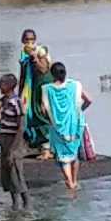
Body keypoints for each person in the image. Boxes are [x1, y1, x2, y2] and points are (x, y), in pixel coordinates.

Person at [41, 61, 92, 191]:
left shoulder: (47, 89)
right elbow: (89, 100)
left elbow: (44, 109)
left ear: (52, 74)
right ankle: (74, 181)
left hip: (58, 127)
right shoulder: (75, 85)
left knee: (63, 158)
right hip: (75, 125)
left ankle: (69, 182)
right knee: (74, 154)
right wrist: (80, 111)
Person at [0, 74, 29, 209]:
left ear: (9, 86)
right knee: (8, 174)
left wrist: (13, 149)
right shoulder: (4, 101)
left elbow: (21, 127)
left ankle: (26, 203)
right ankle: (15, 203)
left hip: (14, 142)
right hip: (5, 141)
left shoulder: (17, 103)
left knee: (16, 173)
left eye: (2, 84)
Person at [17, 30, 52, 161]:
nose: (29, 42)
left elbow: (44, 69)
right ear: (22, 41)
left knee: (41, 114)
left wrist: (34, 57)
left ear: (35, 39)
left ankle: (47, 149)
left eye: (31, 39)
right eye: (26, 40)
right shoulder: (23, 54)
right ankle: (39, 146)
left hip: (41, 87)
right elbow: (22, 74)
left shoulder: (41, 51)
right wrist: (19, 92)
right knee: (30, 115)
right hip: (30, 88)